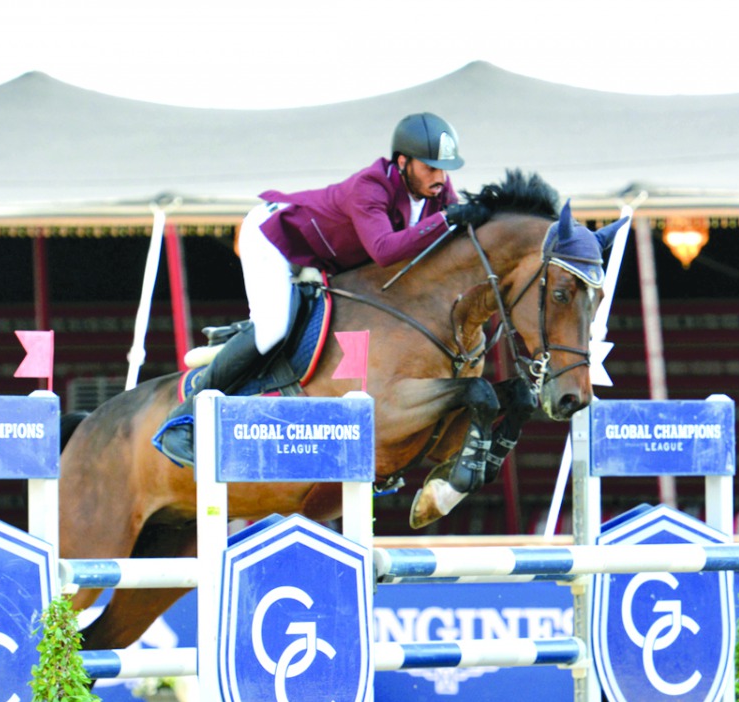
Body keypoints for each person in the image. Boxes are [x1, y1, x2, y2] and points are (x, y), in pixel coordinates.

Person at [154, 112, 490, 468]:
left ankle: (241, 336)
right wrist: (446, 220)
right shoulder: (371, 186)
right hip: (275, 237)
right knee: (272, 332)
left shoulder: (436, 191)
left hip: (322, 256)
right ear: (403, 162)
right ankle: (182, 420)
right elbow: (385, 250)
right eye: (430, 168)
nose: (439, 178)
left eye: (444, 169)